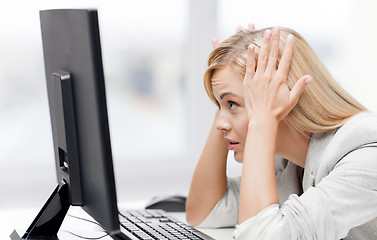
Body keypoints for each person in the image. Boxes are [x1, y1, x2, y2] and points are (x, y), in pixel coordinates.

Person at [186, 25, 377, 239]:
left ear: (285, 98)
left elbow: (261, 235)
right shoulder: (289, 161)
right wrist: (224, 97)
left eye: (232, 104)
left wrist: (262, 120)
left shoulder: (366, 149)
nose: (219, 124)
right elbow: (205, 211)